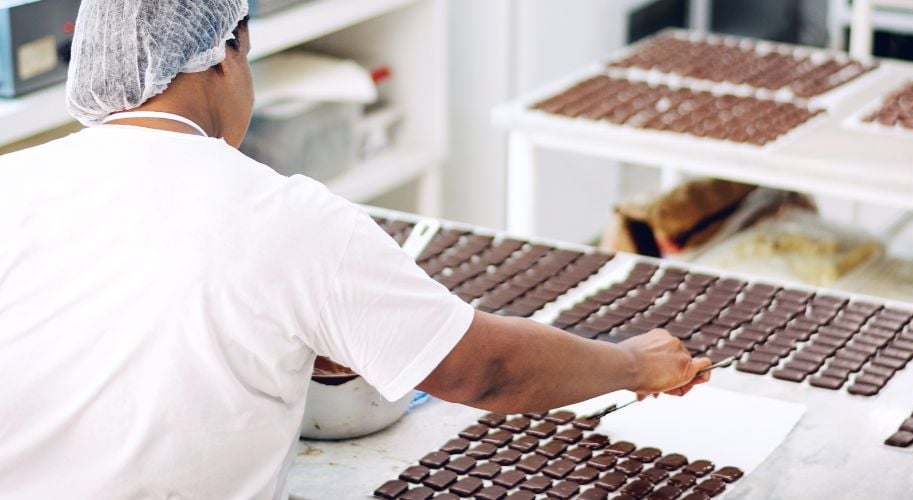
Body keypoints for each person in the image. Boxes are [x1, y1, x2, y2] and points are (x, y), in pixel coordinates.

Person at [0, 1, 711, 498]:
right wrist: (629, 363)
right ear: (222, 56)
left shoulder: (12, 182)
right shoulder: (282, 214)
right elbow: (489, 370)